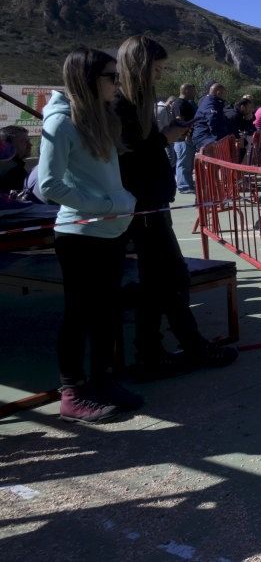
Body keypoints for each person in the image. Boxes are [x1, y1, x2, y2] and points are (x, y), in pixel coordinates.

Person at [114, 36, 238, 381]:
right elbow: (128, 150)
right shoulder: (122, 104)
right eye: (156, 69)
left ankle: (153, 351)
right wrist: (163, 138)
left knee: (161, 282)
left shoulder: (133, 102)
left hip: (151, 202)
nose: (159, 74)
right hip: (142, 207)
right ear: (140, 66)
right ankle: (184, 347)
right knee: (167, 278)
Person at [38, 48, 141, 422]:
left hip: (111, 231)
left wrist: (120, 201)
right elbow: (48, 186)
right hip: (79, 235)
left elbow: (103, 176)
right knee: (79, 313)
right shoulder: (61, 122)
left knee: (108, 311)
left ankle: (102, 380)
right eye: (111, 77)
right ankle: (71, 392)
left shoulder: (101, 117)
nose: (117, 83)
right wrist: (106, 204)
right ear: (88, 79)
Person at [190, 82, 232, 152]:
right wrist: (221, 139)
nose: (224, 97)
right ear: (218, 93)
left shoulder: (214, 102)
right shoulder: (210, 104)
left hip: (207, 136)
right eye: (224, 94)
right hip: (204, 137)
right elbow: (213, 121)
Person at [172, 83, 198, 192]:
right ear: (186, 90)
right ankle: (183, 186)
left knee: (188, 163)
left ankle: (188, 184)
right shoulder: (179, 103)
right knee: (183, 163)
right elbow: (179, 120)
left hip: (188, 138)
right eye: (193, 90)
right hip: (183, 139)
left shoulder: (186, 103)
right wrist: (186, 134)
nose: (194, 93)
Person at [0, 125, 32, 193]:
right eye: (24, 141)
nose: (30, 145)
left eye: (28, 141)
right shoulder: (15, 173)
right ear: (6, 146)